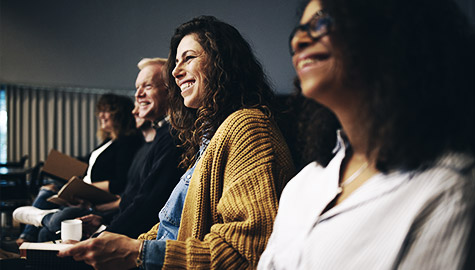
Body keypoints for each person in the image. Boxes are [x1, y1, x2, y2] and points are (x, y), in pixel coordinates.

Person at [59, 16, 295, 269]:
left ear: (222, 62)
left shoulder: (247, 126)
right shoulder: (210, 135)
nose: (174, 71)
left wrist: (137, 252)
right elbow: (171, 225)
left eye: (189, 58)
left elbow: (246, 252)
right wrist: (124, 245)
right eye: (176, 61)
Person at [258, 0, 475, 269]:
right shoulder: (302, 185)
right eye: (299, 30)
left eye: (321, 22)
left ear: (389, 30)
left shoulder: (447, 189)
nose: (299, 41)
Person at [13, 93, 144, 243]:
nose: (101, 115)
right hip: (86, 189)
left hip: (97, 195)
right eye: (100, 111)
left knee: (52, 212)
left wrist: (83, 188)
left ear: (120, 115)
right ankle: (28, 234)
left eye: (106, 111)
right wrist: (62, 166)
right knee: (48, 188)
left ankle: (36, 226)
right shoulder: (108, 141)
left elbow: (120, 182)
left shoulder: (127, 143)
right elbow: (86, 162)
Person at [80, 59, 184, 239]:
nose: (138, 95)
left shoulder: (173, 137)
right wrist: (104, 218)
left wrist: (106, 234)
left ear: (170, 91)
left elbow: (149, 205)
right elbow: (134, 197)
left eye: (147, 86)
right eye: (137, 88)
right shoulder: (161, 134)